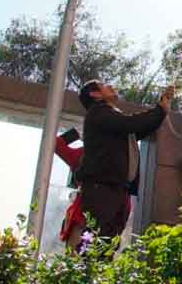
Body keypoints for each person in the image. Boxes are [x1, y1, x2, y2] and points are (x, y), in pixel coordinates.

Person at [74, 79, 172, 243]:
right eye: (104, 85)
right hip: (102, 189)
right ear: (95, 94)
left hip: (113, 189)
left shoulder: (109, 117)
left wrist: (161, 110)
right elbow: (130, 124)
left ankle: (94, 268)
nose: (110, 86)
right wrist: (159, 111)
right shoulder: (99, 112)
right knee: (97, 240)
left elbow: (136, 130)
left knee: (107, 242)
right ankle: (86, 269)